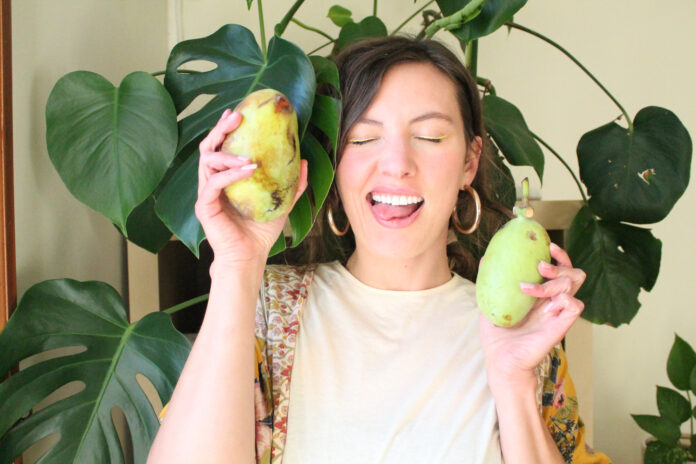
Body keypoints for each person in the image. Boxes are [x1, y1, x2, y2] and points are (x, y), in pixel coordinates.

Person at [147, 36, 611, 464]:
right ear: (335, 160)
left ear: (469, 162)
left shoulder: (525, 337)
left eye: (429, 137)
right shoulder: (262, 311)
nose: (396, 165)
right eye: (365, 138)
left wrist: (512, 382)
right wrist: (235, 267)